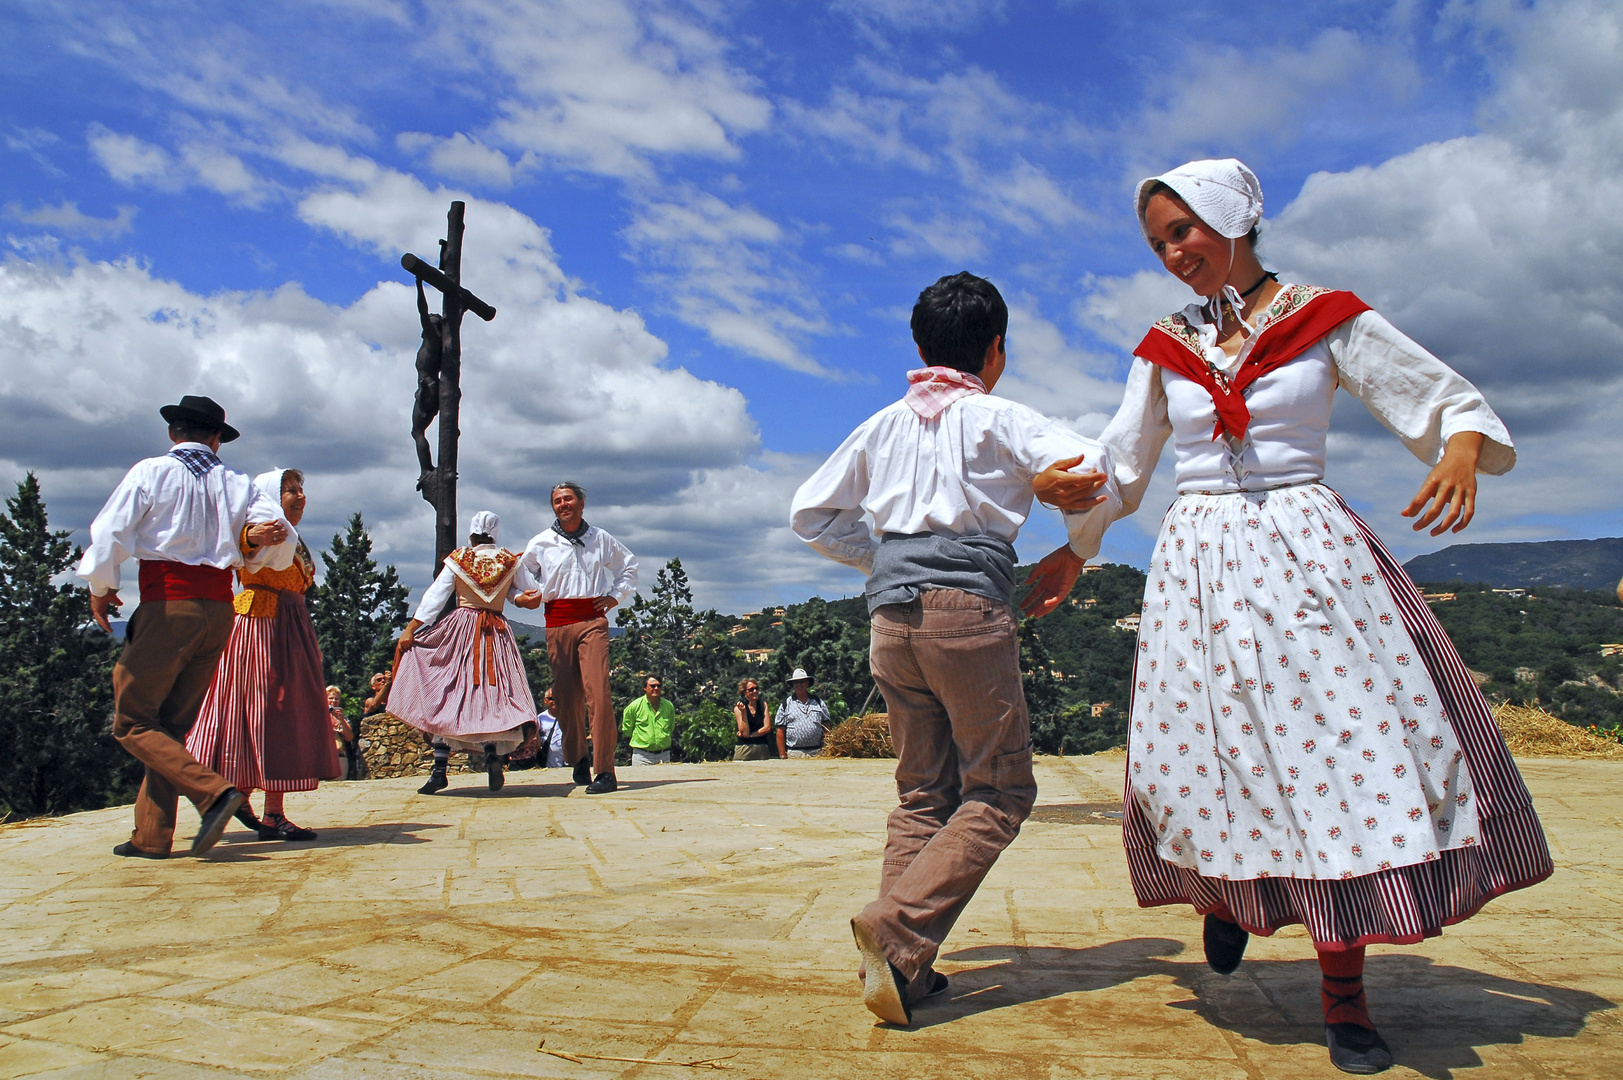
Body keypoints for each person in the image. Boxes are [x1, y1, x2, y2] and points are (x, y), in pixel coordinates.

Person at [1030, 158, 1553, 1074]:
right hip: (1197, 565)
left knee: (1338, 761)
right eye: (1157, 243)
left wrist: (1461, 450)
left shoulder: (1324, 320)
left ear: (1231, 218)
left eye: (1182, 232)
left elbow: (1438, 395)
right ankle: (1228, 899)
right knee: (1208, 758)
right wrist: (1070, 533)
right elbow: (1121, 460)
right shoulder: (1164, 348)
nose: (1171, 254)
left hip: (1306, 557)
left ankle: (1343, 996)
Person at [791, 271, 1119, 1027]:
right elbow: (1095, 469)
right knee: (1000, 790)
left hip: (890, 619)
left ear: (917, 346)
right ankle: (897, 928)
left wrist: (879, 559)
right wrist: (1068, 532)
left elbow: (807, 514)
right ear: (995, 349)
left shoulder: (882, 424)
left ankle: (903, 969)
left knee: (920, 794)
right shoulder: (997, 416)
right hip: (964, 614)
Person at [78, 395, 295, 858]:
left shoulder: (150, 471)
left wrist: (101, 585)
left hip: (168, 605)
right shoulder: (236, 481)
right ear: (217, 439)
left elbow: (110, 532)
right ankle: (152, 837)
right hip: (220, 610)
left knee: (133, 721)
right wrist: (252, 543)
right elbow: (282, 538)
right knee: (170, 726)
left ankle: (213, 792)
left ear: (173, 432)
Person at [186, 468, 341, 842]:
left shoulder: (292, 536)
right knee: (262, 711)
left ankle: (269, 810)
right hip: (260, 624)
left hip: (287, 624)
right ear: (271, 494)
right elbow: (241, 548)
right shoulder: (259, 525)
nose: (300, 496)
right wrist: (252, 536)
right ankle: (240, 796)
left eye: (302, 489)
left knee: (279, 716)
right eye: (290, 490)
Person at [392, 511, 538, 795]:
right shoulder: (509, 560)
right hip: (495, 633)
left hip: (461, 629)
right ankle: (493, 753)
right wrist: (516, 594)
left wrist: (412, 628)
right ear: (495, 533)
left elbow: (436, 596)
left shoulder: (460, 560)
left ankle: (439, 769)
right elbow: (527, 593)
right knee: (491, 694)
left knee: (449, 692)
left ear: (471, 534)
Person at [515, 482, 638, 795]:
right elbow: (519, 576)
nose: (562, 504)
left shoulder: (600, 538)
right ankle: (578, 758)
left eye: (568, 499)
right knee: (567, 700)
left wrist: (614, 596)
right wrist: (525, 596)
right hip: (556, 624)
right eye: (557, 500)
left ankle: (606, 770)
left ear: (582, 504)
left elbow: (629, 566)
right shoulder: (541, 542)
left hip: (591, 621)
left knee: (598, 693)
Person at [776, 668, 832, 757]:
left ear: (807, 683)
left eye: (802, 681)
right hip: (794, 754)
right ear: (793, 685)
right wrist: (782, 753)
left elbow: (826, 727)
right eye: (796, 682)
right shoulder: (786, 704)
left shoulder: (819, 702)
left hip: (816, 752)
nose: (799, 684)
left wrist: (828, 748)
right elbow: (780, 731)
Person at [622, 675, 675, 765]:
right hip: (642, 756)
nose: (656, 688)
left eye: (658, 686)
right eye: (652, 686)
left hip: (664, 755)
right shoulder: (634, 706)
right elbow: (627, 729)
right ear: (644, 688)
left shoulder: (668, 706)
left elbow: (671, 727)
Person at [732, 678, 775, 761]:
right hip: (745, 748)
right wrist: (744, 713)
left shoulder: (763, 705)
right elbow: (744, 732)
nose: (755, 691)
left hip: (762, 747)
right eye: (751, 689)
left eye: (756, 688)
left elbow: (767, 728)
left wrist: (751, 735)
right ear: (744, 692)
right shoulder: (738, 708)